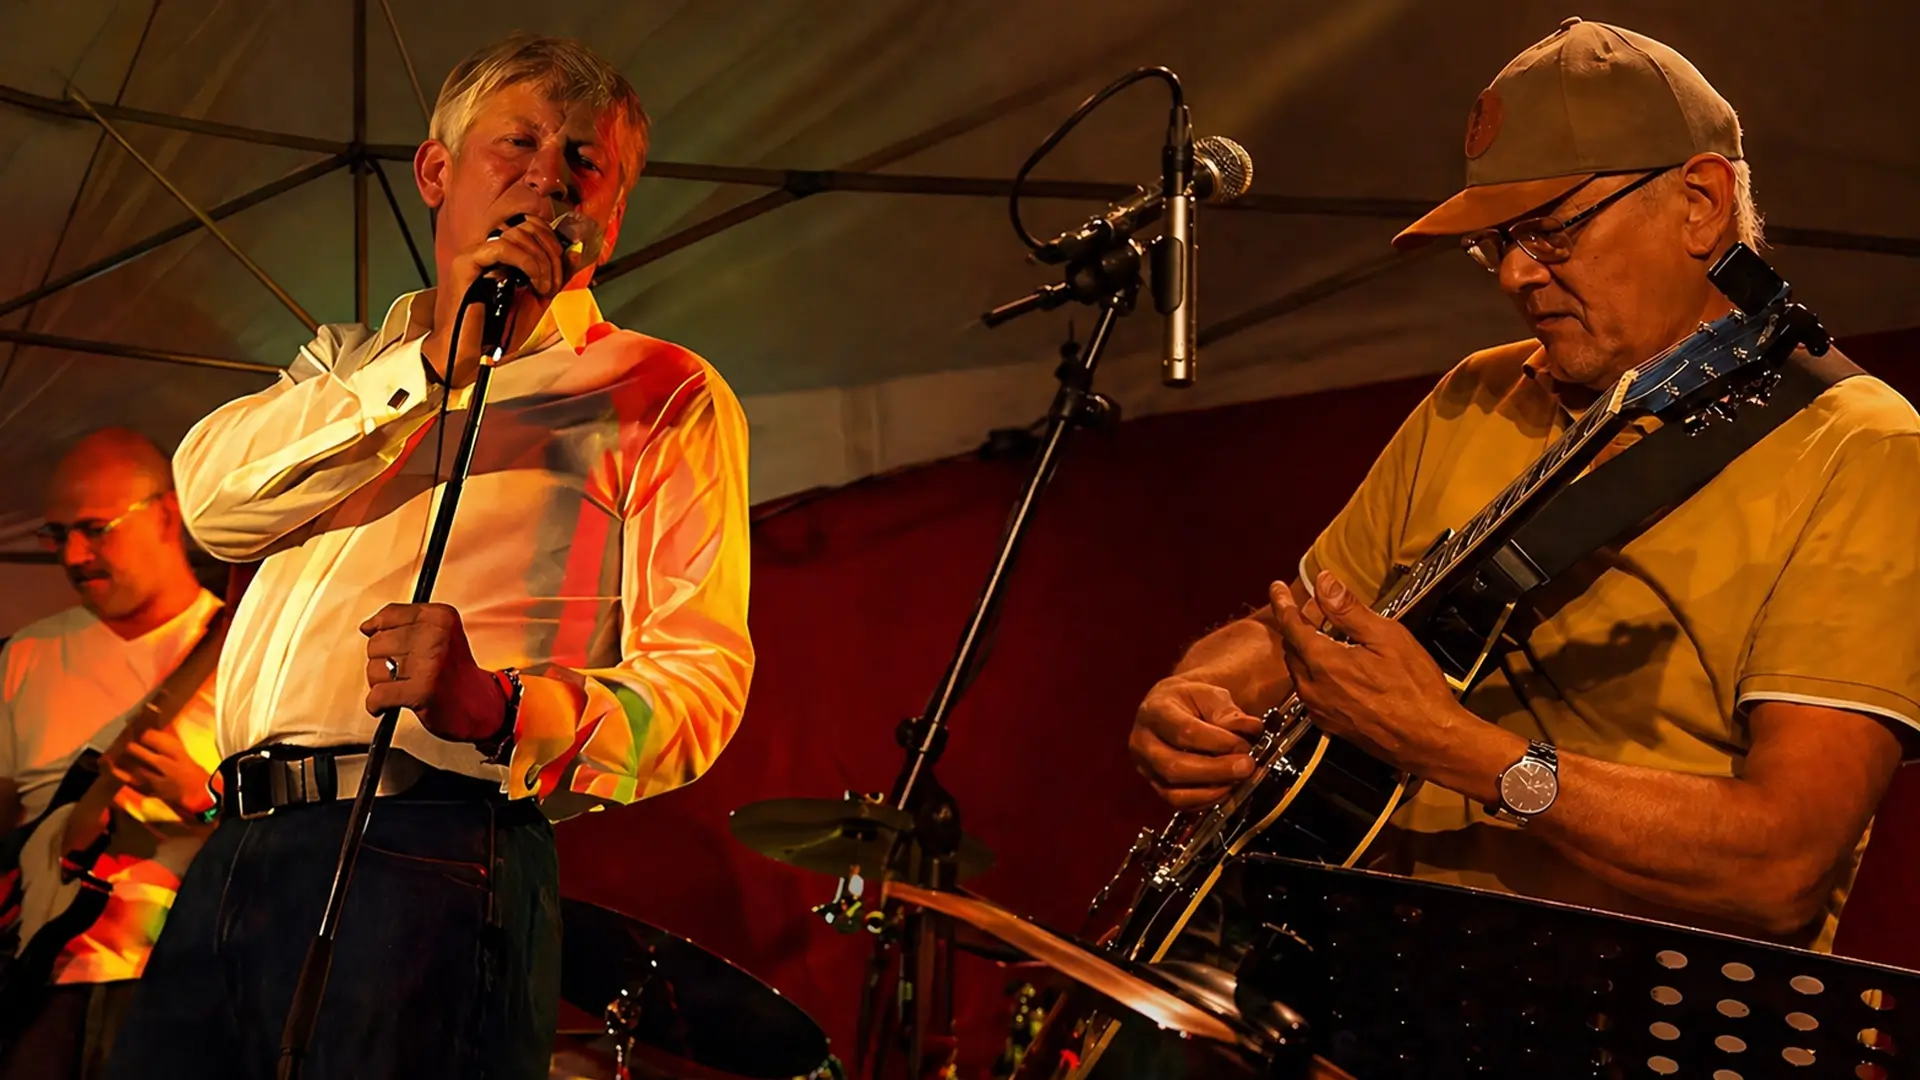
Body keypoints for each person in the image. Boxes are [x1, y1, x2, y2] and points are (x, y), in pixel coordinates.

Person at [1129, 17, 1920, 950]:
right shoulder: (1476, 392)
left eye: (1550, 232)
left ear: (1701, 202)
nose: (1514, 273)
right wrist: (1195, 697)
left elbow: (1782, 867)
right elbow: (1296, 626)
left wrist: (1457, 750)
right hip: (1365, 992)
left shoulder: (1865, 447)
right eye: (1496, 241)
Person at [104, 34, 753, 1080]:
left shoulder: (659, 392)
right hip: (237, 850)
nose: (549, 176)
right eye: (521, 142)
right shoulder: (346, 368)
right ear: (438, 172)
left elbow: (701, 682)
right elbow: (211, 505)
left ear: (612, 216)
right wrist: (428, 367)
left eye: (586, 160)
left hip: (438, 848)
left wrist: (502, 709)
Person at [0, 428, 223, 1080]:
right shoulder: (26, 653)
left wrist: (203, 799)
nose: (73, 554)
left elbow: (297, 841)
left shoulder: (241, 655)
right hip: (31, 984)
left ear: (166, 516)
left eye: (96, 528)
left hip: (180, 979)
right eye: (56, 532)